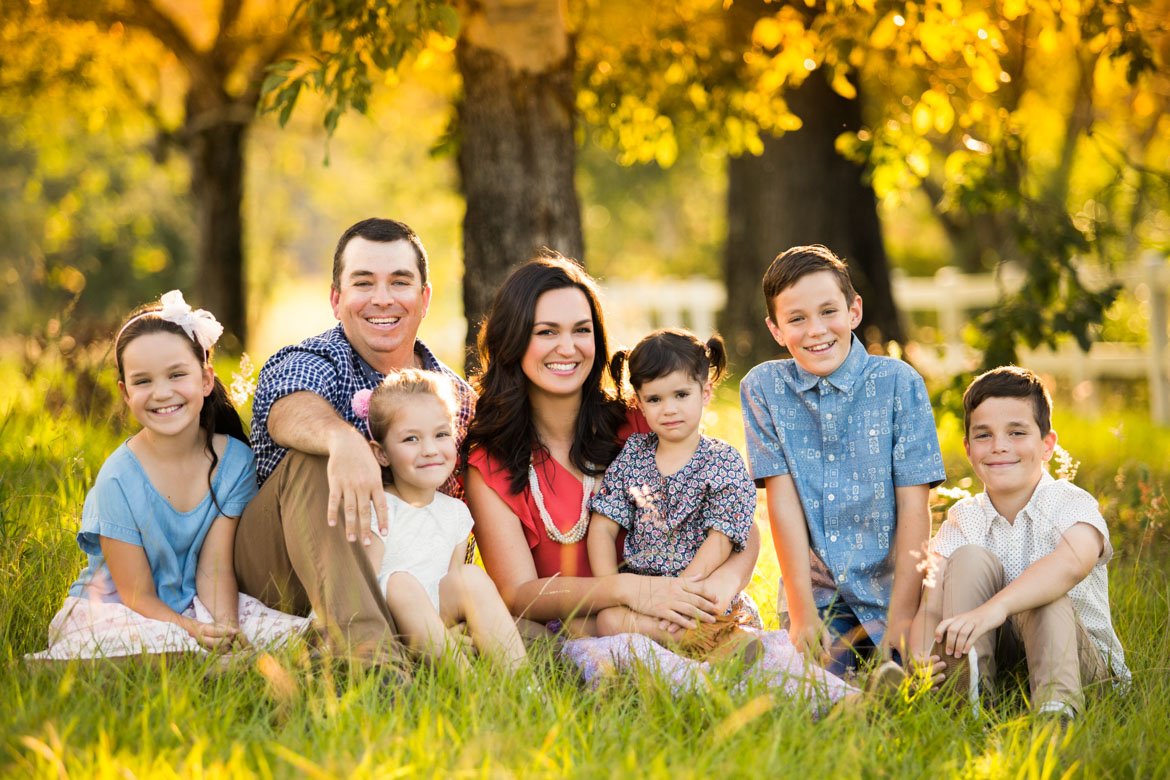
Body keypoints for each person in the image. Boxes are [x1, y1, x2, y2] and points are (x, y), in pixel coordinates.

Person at [465, 254, 855, 706]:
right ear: (514, 340)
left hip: (687, 603)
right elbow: (517, 595)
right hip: (591, 628)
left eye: (581, 330)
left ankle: (850, 704)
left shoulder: (640, 422)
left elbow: (736, 526)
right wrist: (631, 591)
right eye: (546, 331)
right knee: (639, 656)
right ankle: (726, 701)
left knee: (761, 652)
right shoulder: (491, 462)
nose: (567, 347)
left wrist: (714, 590)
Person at [234, 218, 474, 663]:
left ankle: (413, 639)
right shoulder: (312, 359)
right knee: (314, 458)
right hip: (286, 571)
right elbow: (287, 408)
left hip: (399, 580)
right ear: (336, 299)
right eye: (363, 283)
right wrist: (342, 440)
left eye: (399, 282)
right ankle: (373, 662)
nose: (382, 298)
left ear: (424, 299)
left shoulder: (454, 397)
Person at [33, 292, 307, 660]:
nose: (162, 393)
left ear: (206, 379)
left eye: (177, 374)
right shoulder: (118, 478)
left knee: (286, 635)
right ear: (125, 393)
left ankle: (216, 655)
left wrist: (224, 629)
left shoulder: (235, 462)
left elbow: (214, 567)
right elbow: (136, 594)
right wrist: (193, 630)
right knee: (157, 648)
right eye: (142, 381)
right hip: (123, 610)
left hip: (196, 602)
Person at [740, 244, 946, 674]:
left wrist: (903, 617)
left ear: (854, 311)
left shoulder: (898, 383)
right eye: (796, 319)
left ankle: (893, 677)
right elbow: (782, 504)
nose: (815, 330)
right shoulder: (764, 389)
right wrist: (800, 611)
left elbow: (915, 506)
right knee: (824, 681)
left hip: (897, 588)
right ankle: (851, 689)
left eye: (828, 311)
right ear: (776, 329)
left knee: (921, 671)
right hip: (818, 594)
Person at [907, 366, 1130, 719]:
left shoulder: (1070, 502)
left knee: (1043, 591)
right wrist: (921, 654)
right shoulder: (963, 518)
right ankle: (966, 698)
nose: (999, 447)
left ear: (1047, 445)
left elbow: (1071, 564)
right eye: (983, 435)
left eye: (1016, 432)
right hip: (1005, 659)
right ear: (968, 448)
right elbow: (931, 606)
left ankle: (1056, 712)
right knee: (967, 559)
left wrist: (996, 608)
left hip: (1080, 666)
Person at [587, 328, 761, 660]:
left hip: (699, 591)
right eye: (655, 399)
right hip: (644, 595)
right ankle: (694, 643)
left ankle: (713, 638)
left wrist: (684, 591)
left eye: (681, 395)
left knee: (717, 613)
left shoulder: (721, 460)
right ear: (638, 401)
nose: (669, 409)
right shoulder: (634, 455)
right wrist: (611, 589)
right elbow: (602, 527)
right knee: (608, 620)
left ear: (705, 392)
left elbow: (722, 536)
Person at [352, 369, 527, 672]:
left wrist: (449, 630)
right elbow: (362, 593)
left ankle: (526, 687)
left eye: (441, 434)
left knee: (470, 576)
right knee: (400, 582)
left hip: (437, 626)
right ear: (381, 454)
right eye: (411, 439)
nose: (430, 450)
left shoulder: (455, 513)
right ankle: (469, 689)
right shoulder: (380, 508)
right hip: (387, 627)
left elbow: (452, 586)